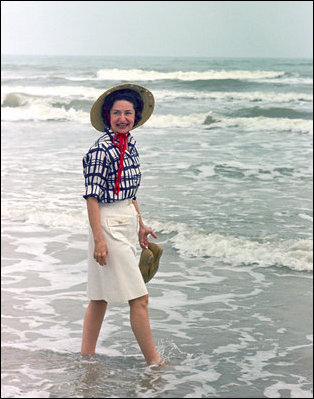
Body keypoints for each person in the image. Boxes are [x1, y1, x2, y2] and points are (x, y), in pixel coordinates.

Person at [80, 83, 163, 367]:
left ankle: (85, 357)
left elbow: (131, 193)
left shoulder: (131, 145)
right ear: (108, 115)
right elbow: (91, 198)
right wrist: (99, 240)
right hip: (106, 225)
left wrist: (140, 223)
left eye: (128, 113)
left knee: (99, 297)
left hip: (125, 219)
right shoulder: (101, 150)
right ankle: (155, 363)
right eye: (117, 113)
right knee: (139, 299)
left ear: (136, 116)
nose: (123, 118)